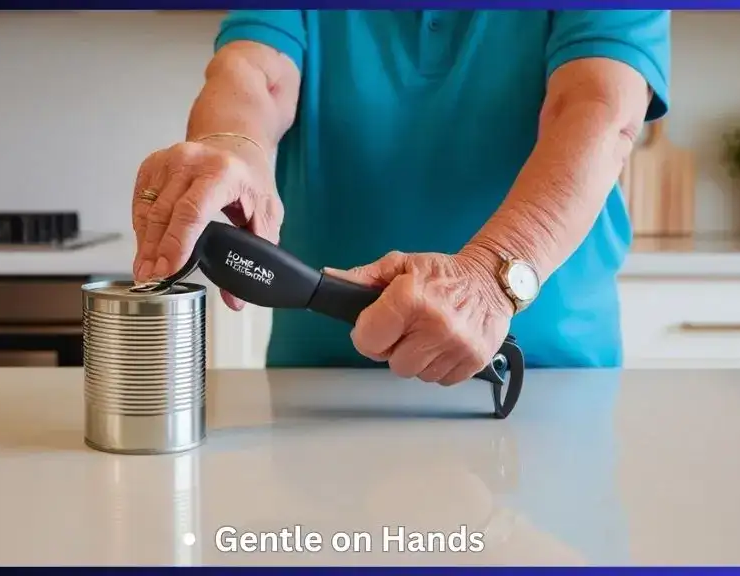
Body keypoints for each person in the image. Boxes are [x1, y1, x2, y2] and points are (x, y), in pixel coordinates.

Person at [132, 10, 671, 378]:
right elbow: (253, 71)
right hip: (321, 382)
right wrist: (230, 145)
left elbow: (596, 107)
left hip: (544, 378)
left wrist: (490, 280)